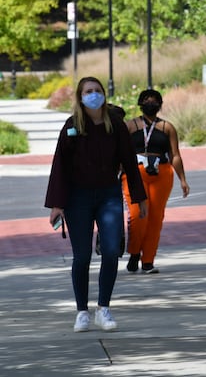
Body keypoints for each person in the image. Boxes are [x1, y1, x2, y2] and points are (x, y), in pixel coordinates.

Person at [45, 76, 148, 332]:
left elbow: (129, 162)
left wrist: (139, 196)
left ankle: (104, 308)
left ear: (104, 94)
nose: (93, 94)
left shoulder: (115, 124)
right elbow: (60, 167)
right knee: (82, 256)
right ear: (80, 98)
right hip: (77, 198)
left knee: (112, 251)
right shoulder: (72, 126)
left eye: (97, 90)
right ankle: (82, 311)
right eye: (88, 91)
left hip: (108, 195)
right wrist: (57, 204)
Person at [122, 89, 190, 274]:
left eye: (154, 100)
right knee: (137, 215)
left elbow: (175, 155)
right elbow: (121, 154)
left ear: (160, 105)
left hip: (161, 173)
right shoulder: (130, 126)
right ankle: (135, 252)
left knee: (155, 218)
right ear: (140, 103)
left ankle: (148, 260)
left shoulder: (167, 127)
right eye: (146, 99)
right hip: (135, 173)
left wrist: (182, 179)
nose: (150, 103)